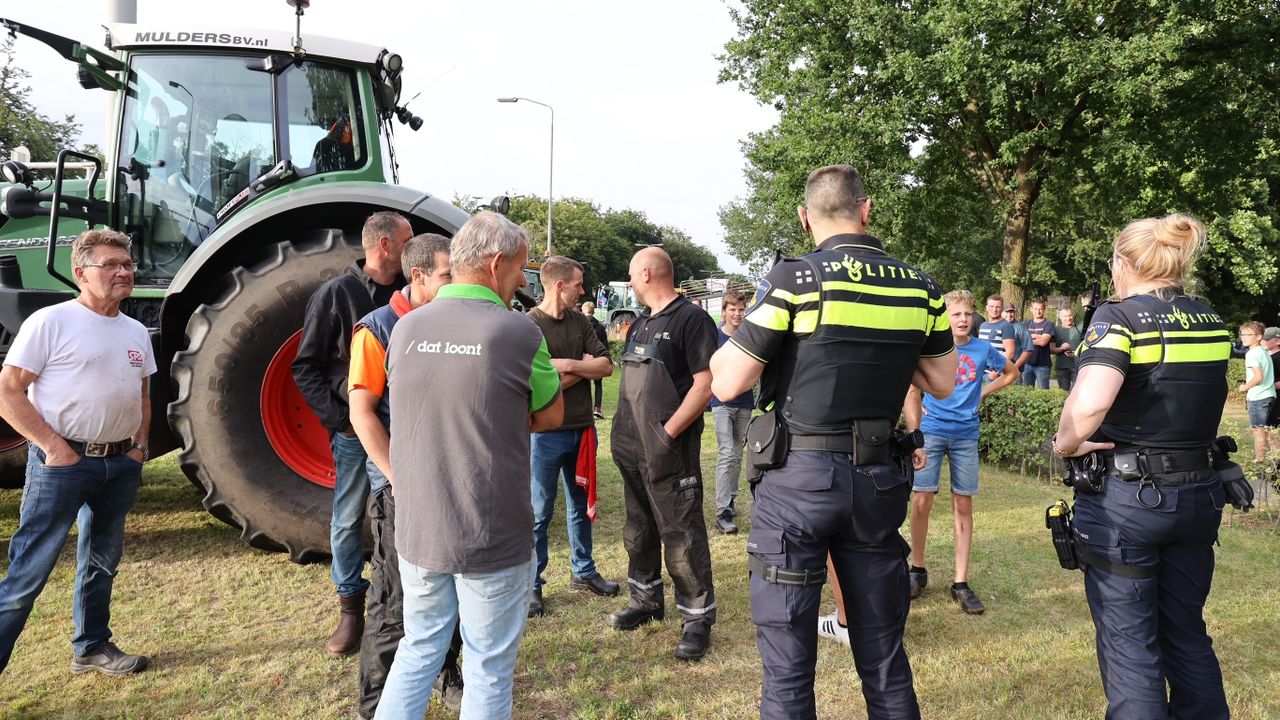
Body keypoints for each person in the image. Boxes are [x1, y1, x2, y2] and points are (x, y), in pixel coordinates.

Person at [710, 164, 956, 719]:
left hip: (799, 480)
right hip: (877, 481)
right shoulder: (920, 286)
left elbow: (727, 382)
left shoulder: (796, 280)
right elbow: (941, 381)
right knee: (885, 655)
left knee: (789, 666)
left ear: (805, 218)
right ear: (866, 211)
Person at [375, 212, 563, 720]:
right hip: (490, 529)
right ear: (497, 262)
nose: (524, 281)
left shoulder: (405, 327)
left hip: (420, 525)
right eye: (522, 268)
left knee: (418, 647)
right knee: (488, 666)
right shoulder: (519, 332)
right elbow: (550, 415)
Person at [1053, 213, 1232, 720]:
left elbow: (1089, 406)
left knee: (1130, 643)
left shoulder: (1120, 318)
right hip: (1198, 495)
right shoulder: (1210, 319)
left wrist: (1066, 444)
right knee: (1185, 630)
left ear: (1124, 262)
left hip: (1128, 503)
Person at [0, 229, 156, 675]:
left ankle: (91, 647)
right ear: (80, 273)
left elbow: (142, 395)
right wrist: (53, 447)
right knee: (26, 577)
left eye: (127, 264)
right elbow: (8, 391)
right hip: (64, 465)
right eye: (110, 265)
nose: (123, 272)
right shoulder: (50, 322)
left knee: (101, 564)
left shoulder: (135, 331)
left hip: (120, 463)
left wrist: (140, 447)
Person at [347, 234, 462, 716]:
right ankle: (374, 704)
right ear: (417, 276)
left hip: (453, 484)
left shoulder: (457, 323)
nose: (456, 284)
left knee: (453, 588)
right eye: (446, 276)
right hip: (402, 491)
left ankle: (447, 671)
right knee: (394, 600)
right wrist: (398, 479)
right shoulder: (377, 329)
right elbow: (362, 413)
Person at [293, 211, 410, 656]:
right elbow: (305, 366)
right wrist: (341, 420)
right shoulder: (336, 294)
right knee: (347, 517)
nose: (410, 248)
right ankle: (350, 611)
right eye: (406, 240)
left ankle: (396, 601)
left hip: (404, 426)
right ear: (384, 245)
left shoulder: (409, 296)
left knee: (401, 510)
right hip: (354, 429)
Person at [608, 246, 717, 661]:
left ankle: (696, 619)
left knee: (682, 533)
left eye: (633, 275)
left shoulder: (692, 320)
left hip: (670, 449)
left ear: (648, 274)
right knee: (639, 528)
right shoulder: (639, 324)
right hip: (632, 446)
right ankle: (646, 601)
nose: (631, 283)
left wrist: (668, 434)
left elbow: (705, 383)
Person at [903, 290, 1018, 615]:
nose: (963, 319)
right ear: (946, 318)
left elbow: (1012, 372)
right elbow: (911, 386)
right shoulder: (933, 348)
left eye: (968, 314)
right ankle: (918, 569)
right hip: (933, 432)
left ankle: (961, 582)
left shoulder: (983, 350)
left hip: (966, 435)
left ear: (974, 316)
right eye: (956, 314)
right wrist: (915, 431)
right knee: (921, 500)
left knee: (963, 505)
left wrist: (984, 390)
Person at [527, 257, 619, 618]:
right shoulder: (530, 326)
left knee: (581, 508)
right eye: (579, 285)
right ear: (560, 285)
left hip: (582, 430)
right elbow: (536, 386)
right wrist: (581, 369)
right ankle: (532, 584)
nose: (584, 291)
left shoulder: (582, 321)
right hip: (544, 434)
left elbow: (607, 366)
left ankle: (583, 572)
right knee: (538, 512)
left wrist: (564, 366)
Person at [709, 288, 753, 535]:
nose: (737, 314)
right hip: (722, 402)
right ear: (723, 312)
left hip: (745, 402)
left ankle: (730, 501)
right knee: (727, 452)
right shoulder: (715, 337)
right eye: (732, 309)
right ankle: (722, 511)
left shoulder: (749, 336)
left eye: (740, 309)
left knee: (737, 454)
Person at [1239, 321, 1276, 462]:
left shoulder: (1252, 354)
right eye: (1242, 334)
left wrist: (1245, 387)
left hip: (1258, 397)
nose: (1244, 337)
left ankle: (1260, 462)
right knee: (1270, 431)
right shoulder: (1264, 352)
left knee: (1258, 431)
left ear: (1259, 336)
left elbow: (1258, 377)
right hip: (1269, 395)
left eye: (1248, 334)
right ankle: (1275, 460)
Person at [581, 300, 609, 419]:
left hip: (582, 360)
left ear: (583, 310)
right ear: (594, 311)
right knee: (598, 384)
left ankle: (584, 409)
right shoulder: (600, 327)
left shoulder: (579, 325)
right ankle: (597, 408)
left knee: (582, 384)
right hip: (597, 359)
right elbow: (604, 345)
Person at [1022, 298, 1055, 389]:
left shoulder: (1048, 324)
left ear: (1044, 309)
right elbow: (1022, 340)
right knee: (1026, 392)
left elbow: (1043, 342)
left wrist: (1029, 338)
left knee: (1043, 392)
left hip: (1042, 364)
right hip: (1027, 363)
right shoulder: (1026, 323)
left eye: (1040, 309)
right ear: (1031, 309)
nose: (1038, 311)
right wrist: (1039, 336)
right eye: (1035, 309)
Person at [1052, 306, 1083, 391]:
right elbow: (1051, 349)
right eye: (1065, 316)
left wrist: (1076, 353)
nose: (1068, 318)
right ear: (1060, 317)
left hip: (1077, 365)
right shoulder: (1055, 330)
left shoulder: (1080, 328)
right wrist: (1061, 348)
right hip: (1061, 367)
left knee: (1077, 391)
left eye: (1070, 315)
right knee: (1063, 393)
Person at [977, 294, 1015, 362]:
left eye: (998, 307)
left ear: (1002, 308)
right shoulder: (983, 325)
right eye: (991, 306)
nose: (994, 310)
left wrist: (997, 370)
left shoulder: (1006, 326)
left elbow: (1010, 353)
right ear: (986, 308)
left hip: (997, 370)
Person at [1004, 304, 1033, 380]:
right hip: (997, 370)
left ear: (1015, 313)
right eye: (1006, 312)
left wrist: (1015, 366)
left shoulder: (1020, 327)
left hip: (1014, 370)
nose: (1009, 315)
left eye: (1011, 312)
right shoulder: (997, 326)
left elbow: (1028, 349)